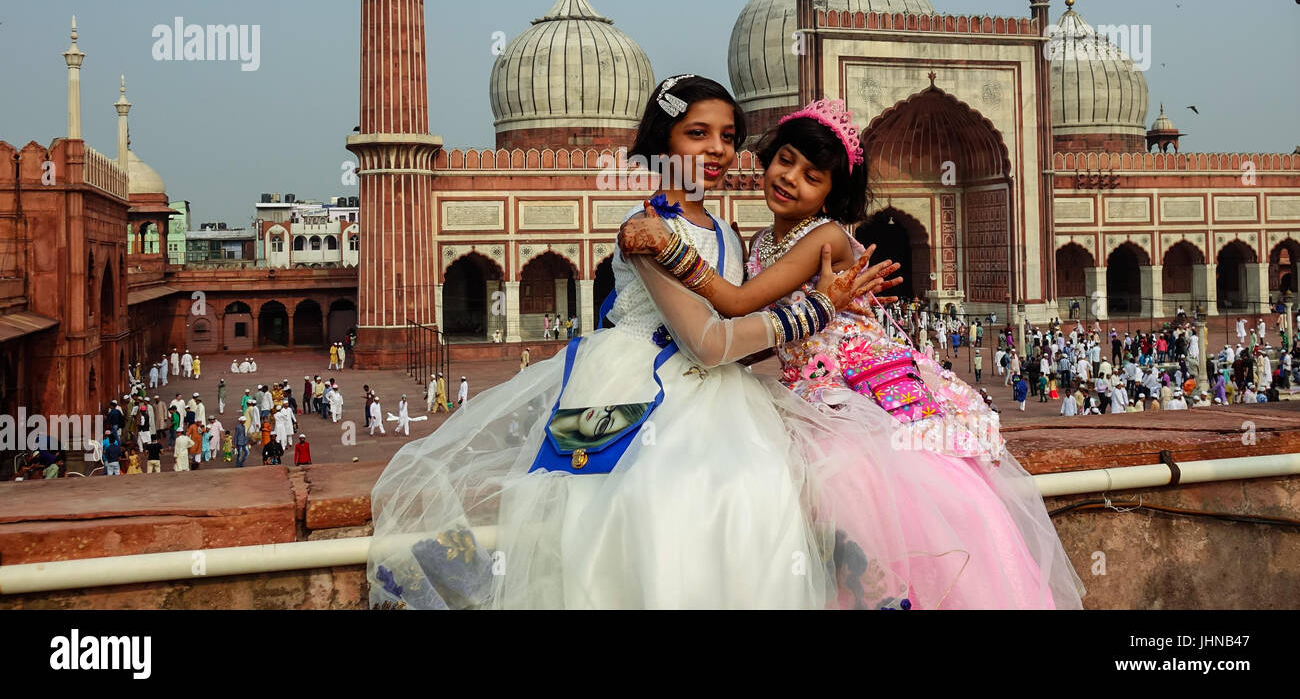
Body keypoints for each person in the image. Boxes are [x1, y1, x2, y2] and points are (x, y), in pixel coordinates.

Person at [368, 77, 1078, 610]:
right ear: (661, 142)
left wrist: (823, 311)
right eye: (695, 134)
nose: (717, 151)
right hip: (656, 384)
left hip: (737, 386)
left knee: (765, 503)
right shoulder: (652, 227)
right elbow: (716, 335)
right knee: (687, 506)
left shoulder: (736, 234)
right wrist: (815, 310)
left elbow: (737, 325)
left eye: (726, 136)